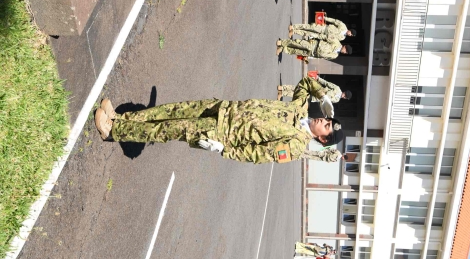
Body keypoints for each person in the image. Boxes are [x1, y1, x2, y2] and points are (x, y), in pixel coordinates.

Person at [93, 78, 345, 164]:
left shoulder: (296, 146)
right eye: (327, 119)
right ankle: (120, 118)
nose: (323, 120)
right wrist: (322, 95)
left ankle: (113, 131)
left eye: (326, 126)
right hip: (223, 108)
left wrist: (224, 150)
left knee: (167, 129)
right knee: (170, 111)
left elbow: (259, 154)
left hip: (222, 131)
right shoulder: (300, 110)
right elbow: (305, 83)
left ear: (323, 139)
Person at [279, 77, 352, 103]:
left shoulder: (337, 100)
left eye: (345, 98)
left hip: (316, 98)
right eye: (345, 96)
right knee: (301, 88)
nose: (344, 97)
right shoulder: (337, 89)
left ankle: (282, 93)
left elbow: (326, 102)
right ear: (344, 93)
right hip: (317, 90)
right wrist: (318, 79)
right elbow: (327, 83)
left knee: (301, 96)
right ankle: (283, 88)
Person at [277, 38, 352, 61]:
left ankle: (282, 49)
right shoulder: (336, 42)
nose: (344, 52)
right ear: (344, 47)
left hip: (313, 53)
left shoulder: (335, 55)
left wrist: (310, 57)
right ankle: (282, 42)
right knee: (298, 43)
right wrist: (313, 36)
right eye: (346, 51)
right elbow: (325, 37)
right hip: (314, 45)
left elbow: (323, 57)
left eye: (346, 53)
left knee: (296, 51)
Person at [288, 18, 355, 42]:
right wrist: (325, 18)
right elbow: (334, 21)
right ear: (350, 30)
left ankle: (294, 32)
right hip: (324, 28)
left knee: (309, 34)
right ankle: (293, 26)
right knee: (309, 27)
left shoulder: (342, 38)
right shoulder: (343, 26)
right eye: (351, 33)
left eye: (351, 35)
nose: (350, 35)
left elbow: (333, 40)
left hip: (323, 36)